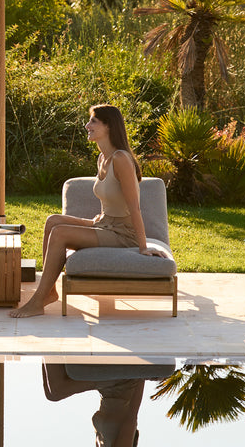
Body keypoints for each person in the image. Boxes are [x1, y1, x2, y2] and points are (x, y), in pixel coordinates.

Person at [10, 103, 166, 319]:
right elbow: (111, 199)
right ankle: (50, 292)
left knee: (60, 233)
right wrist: (101, 218)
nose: (87, 125)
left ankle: (37, 300)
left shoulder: (121, 159)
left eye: (93, 121)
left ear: (109, 126)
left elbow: (134, 207)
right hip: (106, 224)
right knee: (53, 221)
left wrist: (142, 247)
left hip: (123, 233)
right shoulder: (102, 158)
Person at [42, 362, 143, 447]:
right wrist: (142, 372)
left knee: (50, 392)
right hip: (122, 383)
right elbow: (132, 416)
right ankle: (49, 343)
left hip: (107, 387)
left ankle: (45, 348)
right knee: (56, 392)